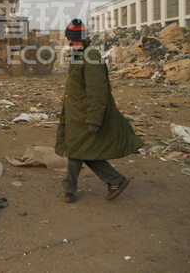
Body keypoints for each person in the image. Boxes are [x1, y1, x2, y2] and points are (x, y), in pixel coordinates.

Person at [55, 19, 144, 203]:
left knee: (79, 151)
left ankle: (72, 188)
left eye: (69, 39)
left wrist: (94, 119)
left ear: (72, 39)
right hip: (76, 116)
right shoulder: (80, 55)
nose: (68, 43)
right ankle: (110, 181)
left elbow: (98, 90)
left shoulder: (91, 55)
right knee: (81, 152)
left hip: (85, 116)